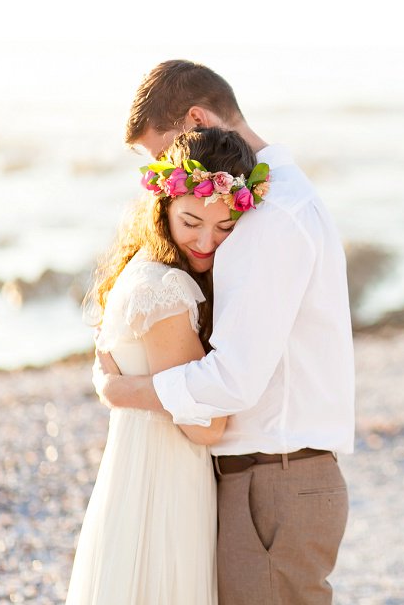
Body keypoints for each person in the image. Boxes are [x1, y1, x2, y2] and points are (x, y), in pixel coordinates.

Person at [92, 60, 355, 605]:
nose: (168, 175)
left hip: (273, 481)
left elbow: (233, 380)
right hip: (269, 478)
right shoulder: (266, 200)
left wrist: (126, 391)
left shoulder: (270, 214)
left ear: (196, 119)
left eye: (163, 153)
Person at [68, 127, 263, 604]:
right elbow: (210, 424)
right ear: (164, 207)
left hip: (140, 474)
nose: (206, 241)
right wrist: (122, 392)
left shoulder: (143, 269)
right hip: (162, 483)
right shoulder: (165, 289)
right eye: (191, 221)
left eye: (224, 228)